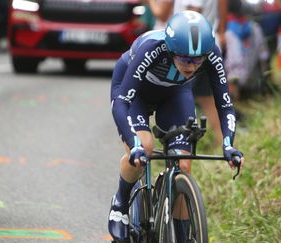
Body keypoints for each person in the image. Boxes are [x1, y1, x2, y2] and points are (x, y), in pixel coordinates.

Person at [108, 11, 244, 242]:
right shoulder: (152, 48)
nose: (192, 66)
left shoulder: (211, 54)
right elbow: (122, 102)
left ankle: (180, 234)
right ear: (171, 50)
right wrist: (135, 144)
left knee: (184, 165)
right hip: (135, 92)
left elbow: (224, 104)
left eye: (198, 59)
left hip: (175, 92)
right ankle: (120, 203)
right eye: (185, 59)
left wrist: (229, 144)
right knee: (146, 147)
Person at [146, 0, 228, 146]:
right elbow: (223, 6)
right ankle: (221, 142)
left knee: (176, 96)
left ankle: (178, 143)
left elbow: (163, 14)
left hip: (187, 52)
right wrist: (221, 31)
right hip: (205, 47)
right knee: (207, 99)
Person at [225, 0, 269, 100]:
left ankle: (235, 93)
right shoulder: (255, 27)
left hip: (232, 78)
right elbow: (264, 55)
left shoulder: (224, 31)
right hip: (252, 77)